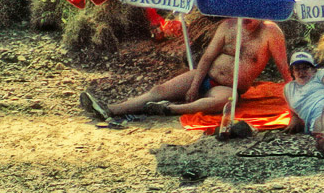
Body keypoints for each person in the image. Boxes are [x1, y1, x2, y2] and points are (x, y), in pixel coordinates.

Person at [80, 17, 291, 119]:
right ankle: (110, 110)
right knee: (159, 90)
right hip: (206, 75)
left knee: (225, 101)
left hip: (228, 87)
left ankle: (169, 109)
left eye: (252, 15)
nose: (247, 19)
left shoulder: (270, 33)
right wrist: (194, 85)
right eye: (243, 14)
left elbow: (283, 67)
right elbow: (208, 57)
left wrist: (294, 101)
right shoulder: (227, 26)